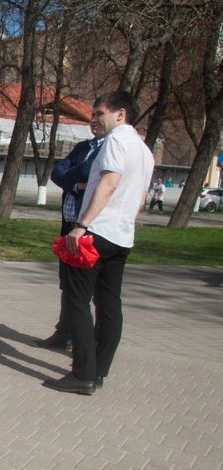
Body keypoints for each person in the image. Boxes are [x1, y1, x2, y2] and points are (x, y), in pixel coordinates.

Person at [44, 90, 154, 395]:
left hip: (96, 233)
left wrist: (81, 226)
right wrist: (124, 220)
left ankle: (83, 373)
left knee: (77, 302)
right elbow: (141, 198)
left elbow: (108, 183)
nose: (95, 119)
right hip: (121, 236)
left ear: (120, 114)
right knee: (109, 304)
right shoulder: (144, 150)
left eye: (99, 113)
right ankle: (99, 370)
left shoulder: (116, 140)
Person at [33, 122, 105, 351]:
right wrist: (79, 183)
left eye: (100, 114)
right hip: (69, 226)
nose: (95, 119)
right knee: (67, 282)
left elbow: (86, 173)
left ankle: (89, 340)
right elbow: (57, 173)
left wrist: (75, 175)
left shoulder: (110, 148)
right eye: (92, 115)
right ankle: (63, 333)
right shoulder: (84, 146)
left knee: (86, 289)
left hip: (90, 228)